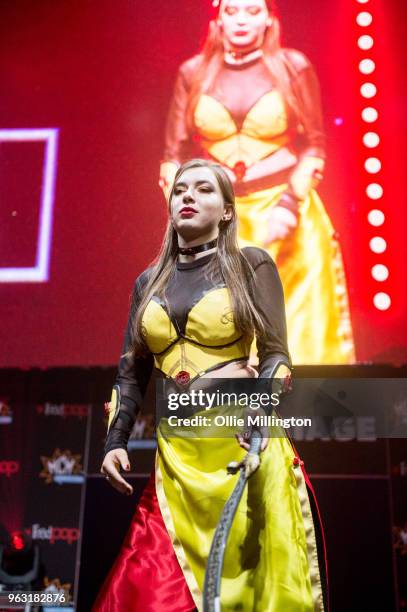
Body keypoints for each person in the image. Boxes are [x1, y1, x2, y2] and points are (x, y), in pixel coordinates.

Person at [93, 159, 328, 611]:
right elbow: (131, 372)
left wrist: (260, 414)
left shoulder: (251, 264)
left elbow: (276, 354)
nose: (187, 196)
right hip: (177, 463)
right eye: (181, 189)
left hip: (244, 451)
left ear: (226, 210)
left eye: (203, 189)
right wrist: (115, 440)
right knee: (143, 591)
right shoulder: (148, 282)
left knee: (259, 594)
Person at [159, 0, 355, 365]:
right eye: (232, 11)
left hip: (289, 217)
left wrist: (289, 205)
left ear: (269, 17)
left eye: (252, 10)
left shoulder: (291, 67)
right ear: (218, 18)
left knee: (301, 333)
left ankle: (307, 418)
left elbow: (315, 146)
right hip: (221, 221)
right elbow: (174, 156)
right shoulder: (194, 73)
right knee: (224, 328)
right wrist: (190, 212)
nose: (241, 21)